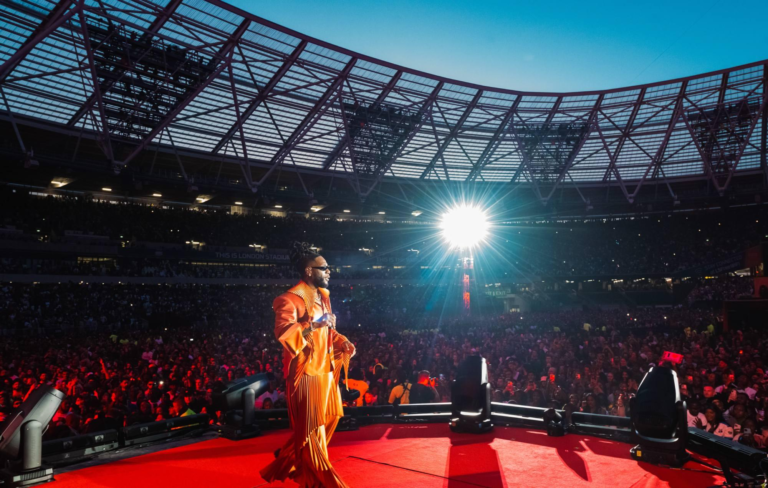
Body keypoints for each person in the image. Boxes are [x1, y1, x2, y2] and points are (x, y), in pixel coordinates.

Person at [260, 242, 356, 488]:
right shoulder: (288, 299)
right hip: (306, 374)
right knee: (313, 434)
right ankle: (323, 483)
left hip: (326, 371)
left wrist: (342, 340)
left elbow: (327, 332)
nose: (329, 271)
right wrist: (314, 324)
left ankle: (289, 457)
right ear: (308, 271)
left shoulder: (324, 297)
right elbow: (284, 332)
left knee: (327, 421)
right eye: (324, 268)